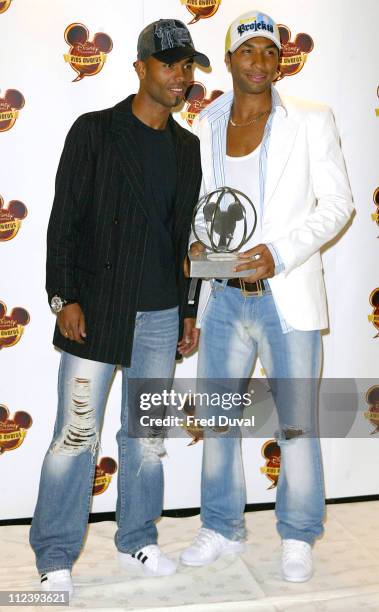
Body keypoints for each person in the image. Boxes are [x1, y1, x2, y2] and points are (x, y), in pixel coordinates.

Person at [29, 19, 209, 596]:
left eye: (187, 67)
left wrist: (188, 310)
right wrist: (63, 296)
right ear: (139, 68)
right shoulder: (95, 131)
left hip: (160, 314)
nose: (180, 77)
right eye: (169, 65)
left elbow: (185, 239)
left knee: (147, 438)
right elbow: (65, 221)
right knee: (75, 435)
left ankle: (137, 539)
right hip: (96, 308)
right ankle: (54, 554)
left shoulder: (187, 147)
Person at [181, 10, 353, 582]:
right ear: (228, 59)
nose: (259, 62)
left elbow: (338, 204)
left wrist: (280, 252)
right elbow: (199, 207)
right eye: (247, 52)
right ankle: (221, 527)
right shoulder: (204, 122)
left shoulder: (311, 118)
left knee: (296, 422)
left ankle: (298, 534)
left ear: (281, 62)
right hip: (222, 296)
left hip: (285, 293)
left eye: (269, 52)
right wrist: (194, 249)